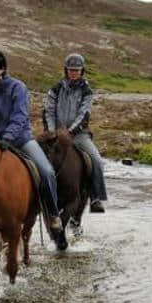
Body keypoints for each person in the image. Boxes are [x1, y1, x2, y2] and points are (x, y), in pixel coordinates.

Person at [0, 47, 63, 238]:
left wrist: (7, 137)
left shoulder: (18, 88)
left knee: (46, 171)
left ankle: (53, 215)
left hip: (21, 140)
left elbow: (20, 117)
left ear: (1, 70)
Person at [43, 53, 107, 213]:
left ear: (82, 71)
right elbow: (49, 110)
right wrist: (52, 131)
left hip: (78, 135)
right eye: (71, 70)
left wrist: (70, 132)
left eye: (77, 70)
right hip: (56, 133)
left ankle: (96, 197)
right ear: (66, 71)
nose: (74, 73)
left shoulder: (87, 91)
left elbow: (84, 114)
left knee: (97, 161)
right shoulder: (55, 89)